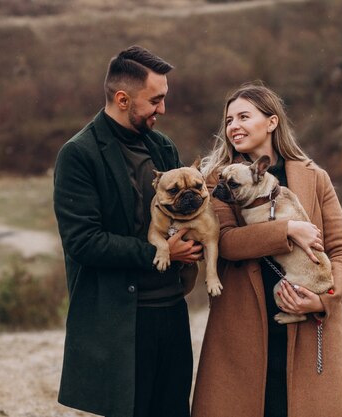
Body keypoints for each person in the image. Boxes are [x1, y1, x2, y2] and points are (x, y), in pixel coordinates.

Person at [193, 83, 342, 417]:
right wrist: (287, 230)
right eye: (229, 120)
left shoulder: (314, 177)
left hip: (308, 322)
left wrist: (325, 297)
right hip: (243, 325)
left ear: (272, 122)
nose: (234, 126)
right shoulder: (217, 181)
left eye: (244, 116)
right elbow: (225, 242)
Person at [53, 45, 202, 417]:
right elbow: (83, 242)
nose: (162, 110)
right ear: (122, 99)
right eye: (155, 100)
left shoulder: (162, 146)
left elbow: (188, 212)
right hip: (122, 321)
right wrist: (162, 252)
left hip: (172, 312)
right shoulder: (79, 154)